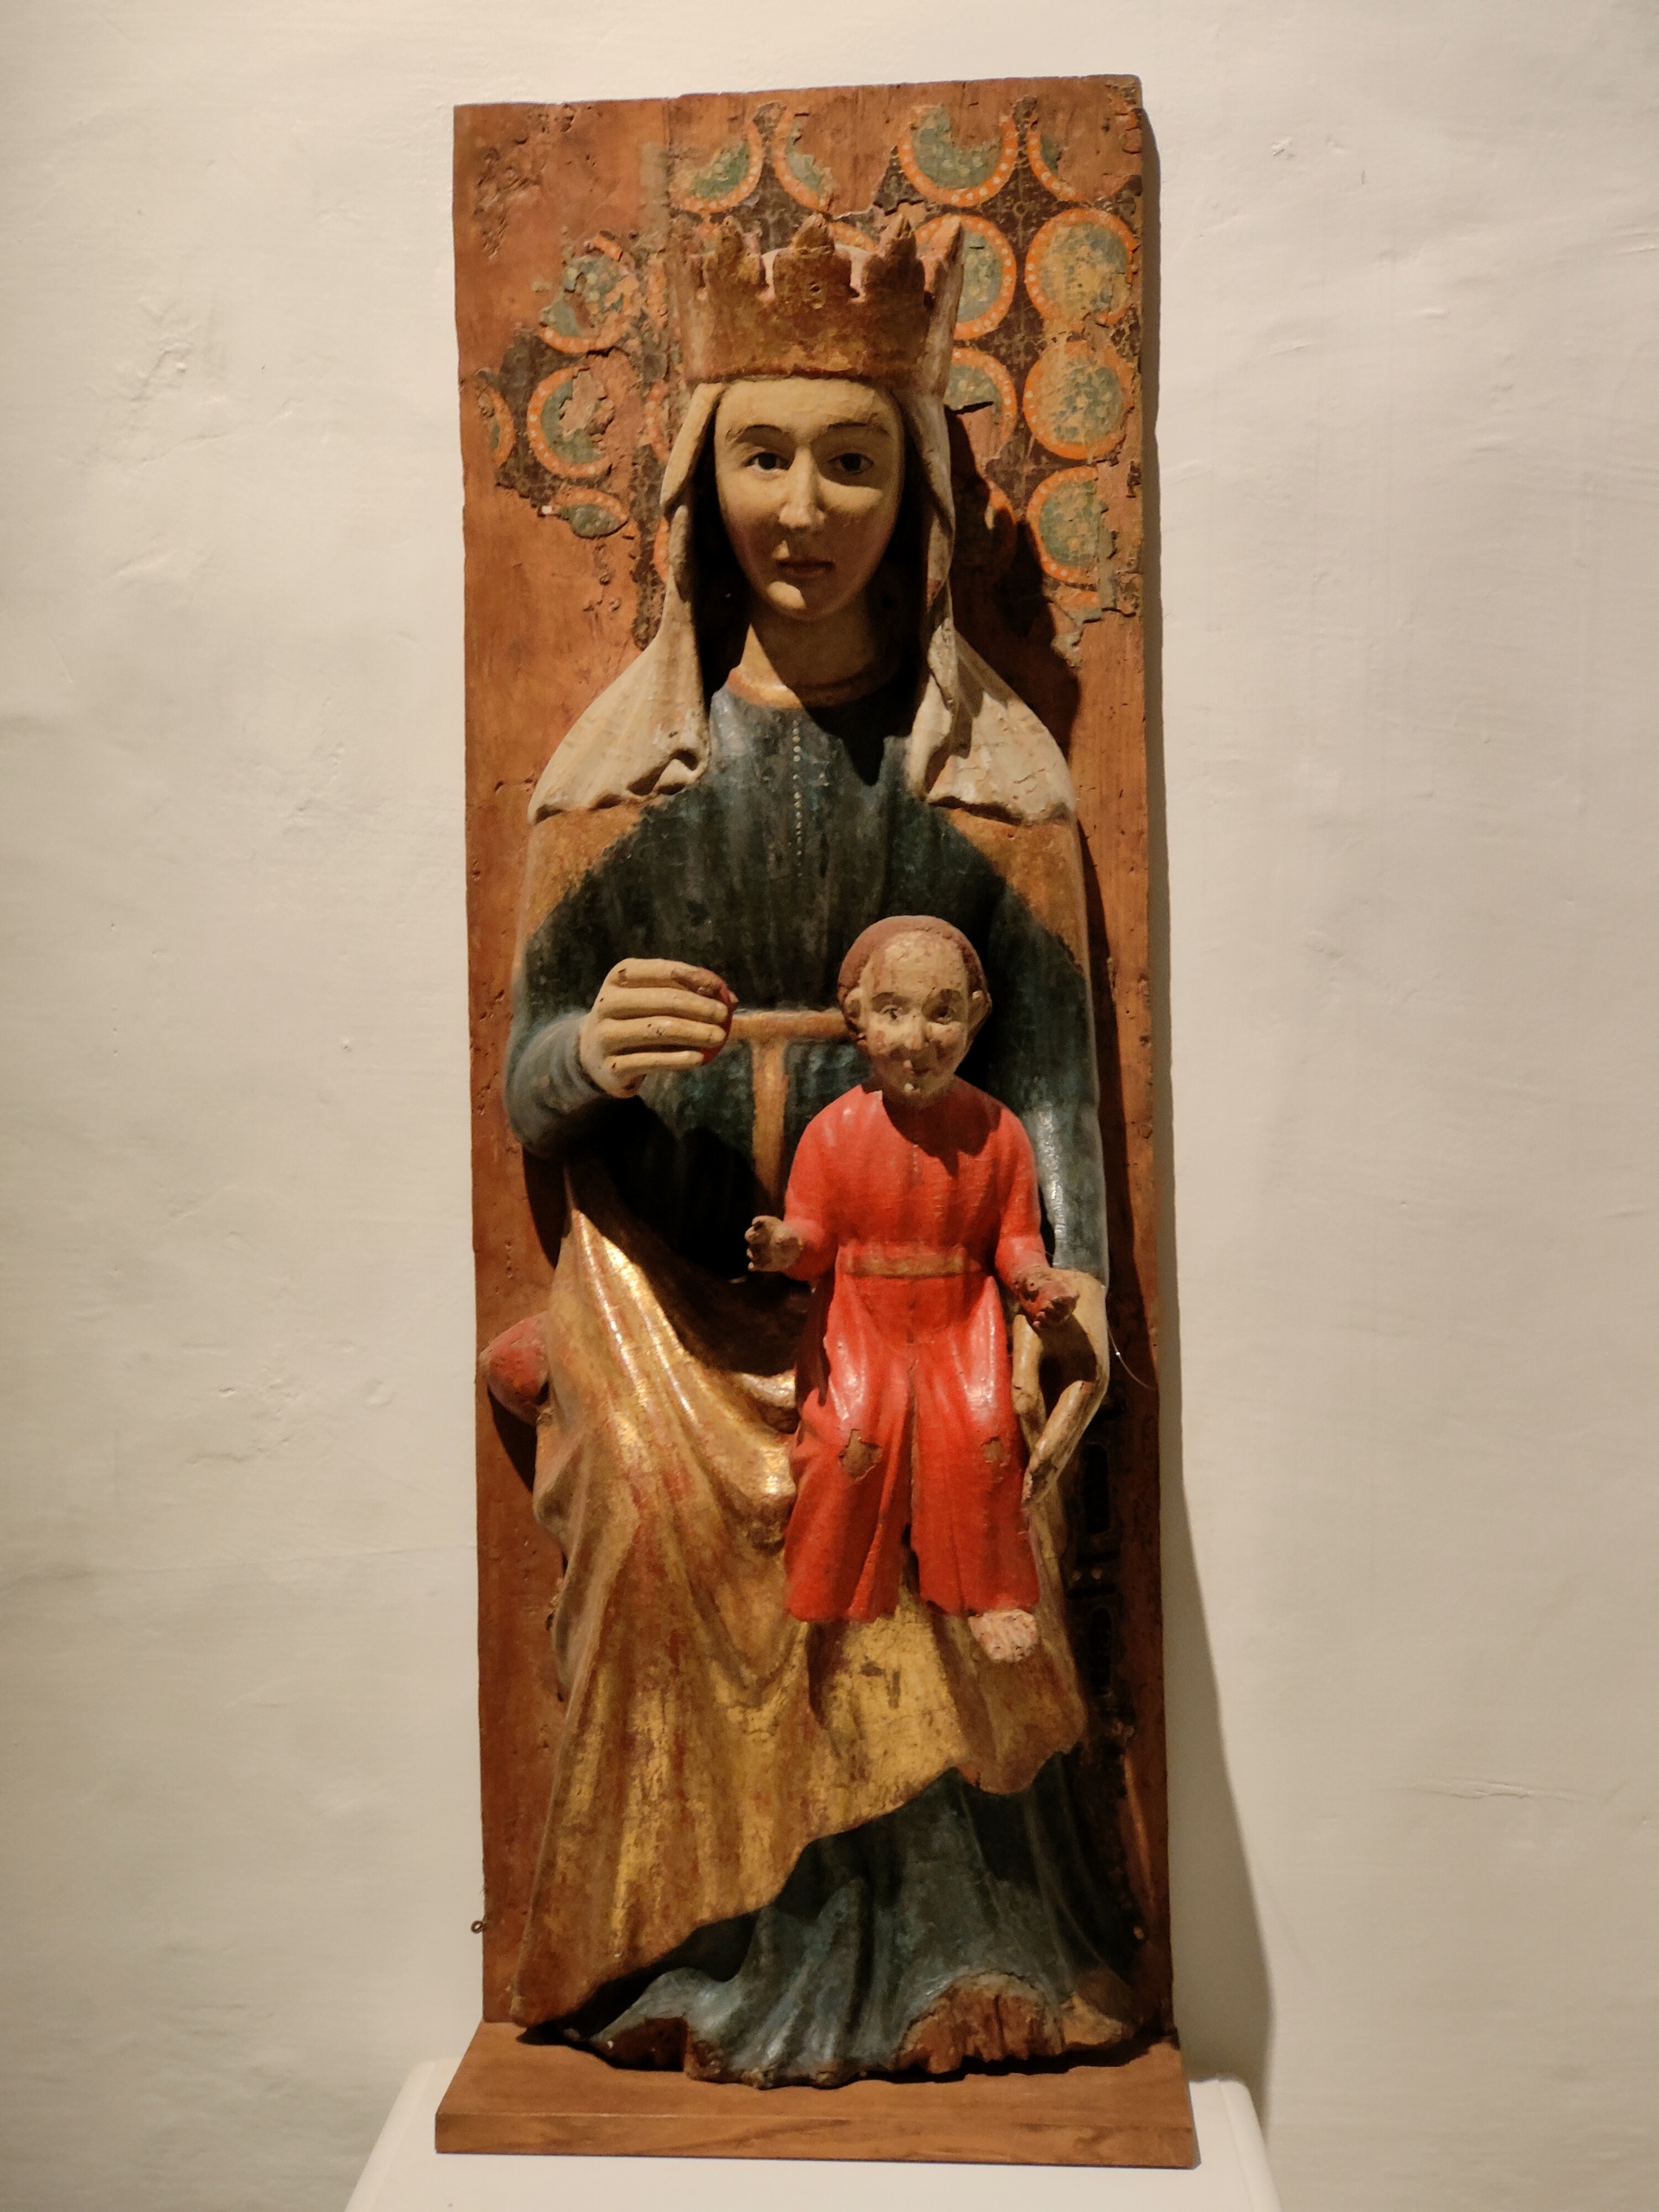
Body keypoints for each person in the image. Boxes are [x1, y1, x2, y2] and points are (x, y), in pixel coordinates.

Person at [498, 213, 1138, 2082]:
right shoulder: (628, 773)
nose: (803, 507)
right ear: (697, 487)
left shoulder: (987, 783)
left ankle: (967, 1952)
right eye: (763, 455)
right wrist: (586, 1052)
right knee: (652, 1508)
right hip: (672, 1303)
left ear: (913, 488)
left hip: (924, 1299)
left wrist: (1068, 1298)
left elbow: (1058, 1082)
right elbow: (528, 1068)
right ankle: (689, 1958)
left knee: (953, 1505)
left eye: (852, 459)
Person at [748, 916, 1088, 1661]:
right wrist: (786, 1246)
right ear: (858, 1019)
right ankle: (832, 1588)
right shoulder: (833, 1132)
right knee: (847, 1444)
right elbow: (816, 1240)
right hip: (860, 1322)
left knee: (983, 1442)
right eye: (893, 1011)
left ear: (975, 1015)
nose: (917, 1039)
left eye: (941, 1013)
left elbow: (1015, 1238)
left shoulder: (999, 1132)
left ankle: (987, 1593)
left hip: (960, 1321)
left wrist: (1034, 1280)